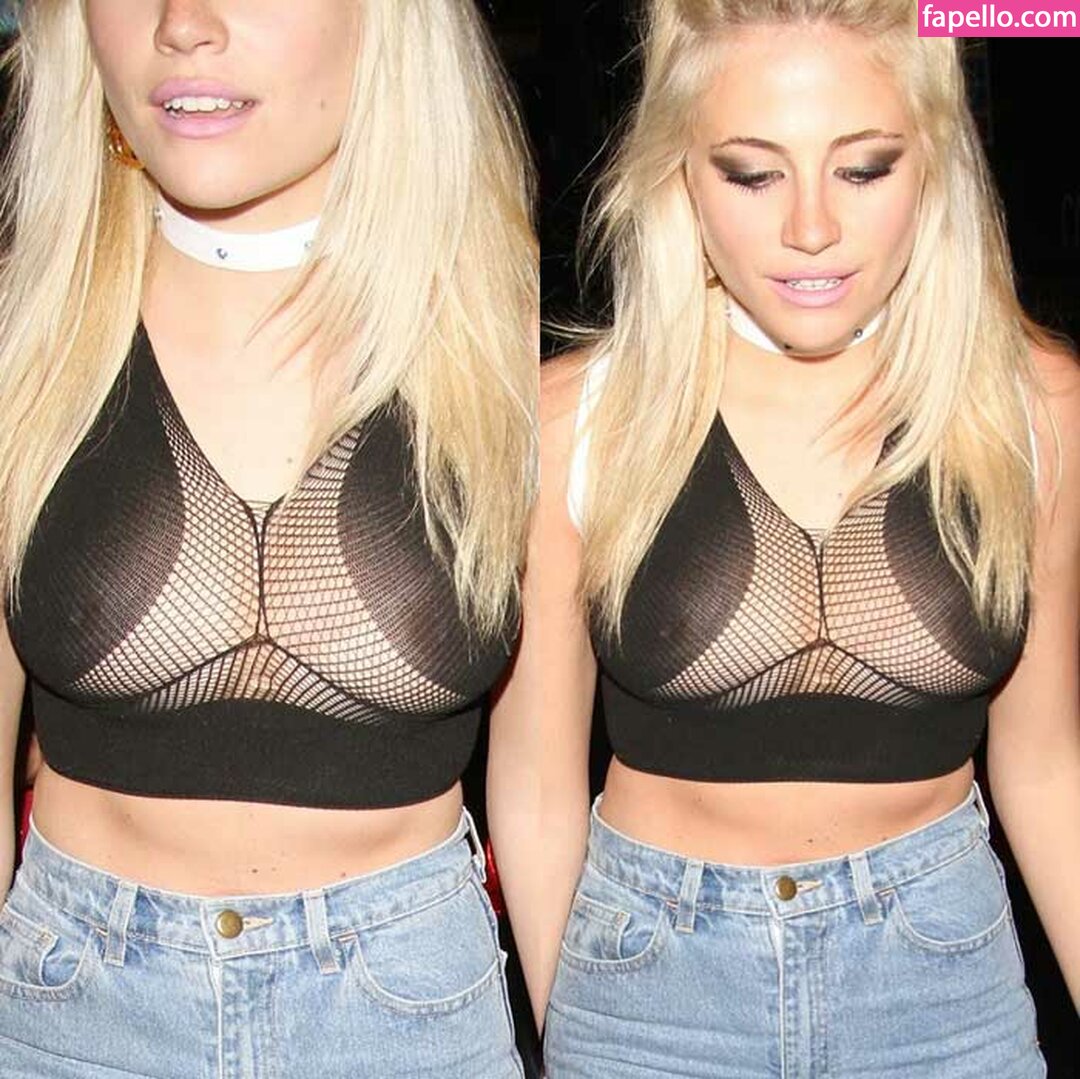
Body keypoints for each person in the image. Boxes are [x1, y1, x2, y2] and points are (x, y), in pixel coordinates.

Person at [517, 0, 1079, 1074]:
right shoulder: (577, 419)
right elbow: (539, 785)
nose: (811, 227)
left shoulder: (1030, 408)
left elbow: (1046, 763)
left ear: (937, 162)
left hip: (943, 985)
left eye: (863, 168)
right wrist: (575, 1031)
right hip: (649, 996)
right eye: (752, 173)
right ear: (679, 173)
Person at [0, 1, 536, 1075]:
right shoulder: (29, 335)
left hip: (412, 1013)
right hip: (70, 1012)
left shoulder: (497, 331)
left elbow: (541, 786)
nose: (182, 24)